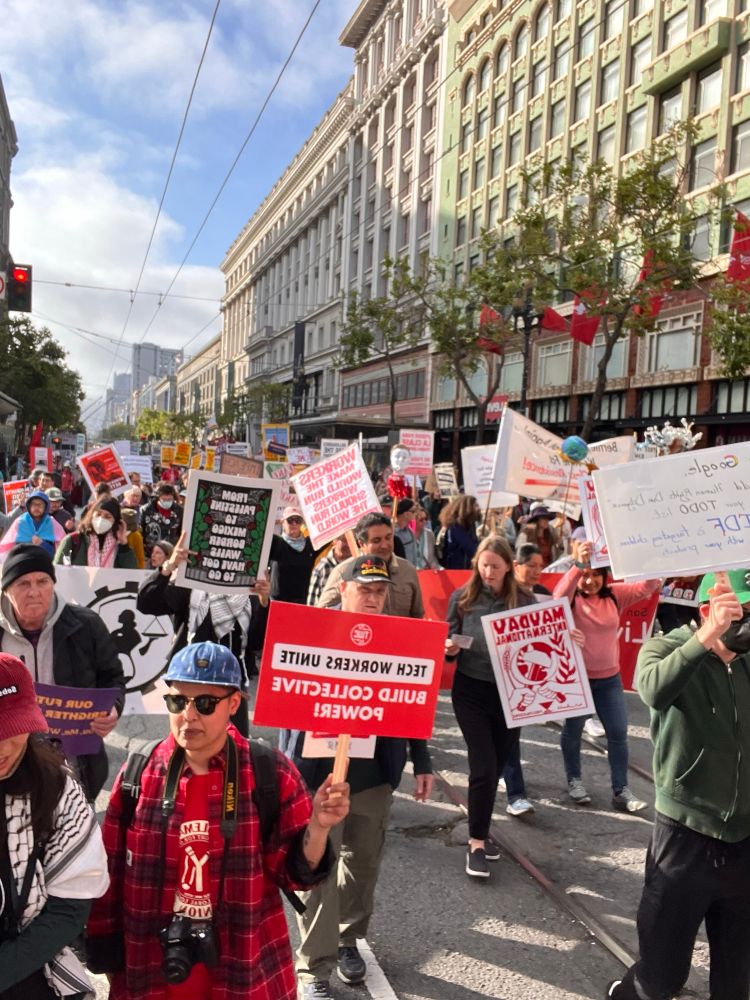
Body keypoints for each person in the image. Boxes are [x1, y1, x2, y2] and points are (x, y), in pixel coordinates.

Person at [86, 641, 350, 1000]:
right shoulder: (140, 771)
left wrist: (318, 827)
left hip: (240, 967)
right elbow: (110, 873)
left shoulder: (267, 770)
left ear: (234, 704)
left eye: (206, 704)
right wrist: (102, 946)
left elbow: (298, 875)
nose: (189, 716)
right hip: (150, 966)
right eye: (178, 701)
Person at [280, 556, 433, 1000]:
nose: (372, 597)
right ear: (343, 588)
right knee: (317, 870)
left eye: (380, 591)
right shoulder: (313, 634)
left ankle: (348, 939)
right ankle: (314, 967)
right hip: (316, 777)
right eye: (364, 588)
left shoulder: (399, 641)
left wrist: (421, 761)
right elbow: (286, 696)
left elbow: (412, 705)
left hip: (373, 778)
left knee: (363, 865)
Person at [608, 569, 750, 1000]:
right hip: (685, 837)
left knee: (736, 983)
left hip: (743, 839)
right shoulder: (667, 646)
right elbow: (651, 689)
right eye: (742, 612)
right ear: (708, 610)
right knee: (662, 977)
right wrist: (705, 638)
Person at [0, 653, 110, 999]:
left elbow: (69, 909)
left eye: (12, 729)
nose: (2, 746)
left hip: (29, 971)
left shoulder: (54, 788)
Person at [0, 546, 125, 799]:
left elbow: (112, 677)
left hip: (74, 762)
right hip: (10, 758)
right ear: (6, 590)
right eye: (23, 583)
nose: (34, 592)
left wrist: (113, 708)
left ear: (53, 584)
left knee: (74, 830)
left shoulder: (85, 625)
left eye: (42, 581)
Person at [445, 536, 537, 877]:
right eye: (483, 565)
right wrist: (449, 648)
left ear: (509, 567)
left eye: (495, 566)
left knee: (496, 765)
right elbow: (448, 640)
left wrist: (569, 640)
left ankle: (480, 826)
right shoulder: (462, 599)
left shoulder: (525, 601)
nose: (488, 572)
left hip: (512, 695)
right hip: (471, 691)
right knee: (482, 766)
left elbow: (545, 641)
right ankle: (477, 843)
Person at [553, 542, 660, 811]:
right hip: (578, 679)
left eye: (595, 575)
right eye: (585, 575)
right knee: (574, 730)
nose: (589, 580)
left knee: (617, 733)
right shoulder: (573, 599)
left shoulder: (614, 595)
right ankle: (574, 781)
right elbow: (557, 597)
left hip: (610, 679)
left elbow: (648, 586)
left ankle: (621, 790)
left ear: (604, 576)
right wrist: (578, 566)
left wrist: (640, 552)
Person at [136, 533, 270, 735]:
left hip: (231, 687)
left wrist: (263, 601)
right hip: (189, 683)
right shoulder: (190, 587)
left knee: (232, 752)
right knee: (188, 746)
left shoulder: (248, 592)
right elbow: (146, 603)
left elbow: (256, 643)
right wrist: (169, 567)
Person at [318, 513, 424, 618]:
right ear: (361, 544)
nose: (384, 545)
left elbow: (418, 616)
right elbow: (323, 615)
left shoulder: (407, 570)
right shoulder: (343, 571)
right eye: (376, 540)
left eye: (388, 538)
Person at [53, 497, 137, 569]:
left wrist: (124, 544)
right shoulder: (73, 541)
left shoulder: (118, 546)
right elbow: (57, 571)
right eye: (98, 514)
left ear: (115, 522)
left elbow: (131, 574)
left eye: (108, 517)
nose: (101, 519)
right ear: (92, 515)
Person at [269, 507, 318, 604]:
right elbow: (260, 532)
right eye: (290, 520)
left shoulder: (310, 544)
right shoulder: (275, 542)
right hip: (278, 602)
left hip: (302, 603)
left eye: (298, 520)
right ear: (282, 522)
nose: (294, 523)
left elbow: (329, 536)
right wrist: (273, 522)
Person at [0, 492, 66, 558]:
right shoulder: (20, 522)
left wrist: (43, 544)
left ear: (46, 507)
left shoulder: (52, 523)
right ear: (29, 506)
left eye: (40, 505)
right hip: (23, 562)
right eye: (34, 504)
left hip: (45, 563)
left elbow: (61, 550)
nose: (36, 508)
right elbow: (10, 548)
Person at [141, 482, 183, 560]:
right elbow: (141, 530)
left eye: (170, 499)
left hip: (170, 552)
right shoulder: (146, 510)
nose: (167, 502)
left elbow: (181, 531)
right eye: (164, 499)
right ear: (158, 498)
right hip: (151, 552)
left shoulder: (179, 510)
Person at [306, 535, 351, 606]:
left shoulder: (357, 566)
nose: (348, 545)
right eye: (344, 541)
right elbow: (312, 601)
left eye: (351, 541)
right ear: (334, 541)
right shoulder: (322, 567)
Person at [438, 495, 480, 570]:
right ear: (467, 508)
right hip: (457, 570)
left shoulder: (469, 524)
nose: (478, 508)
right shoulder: (455, 527)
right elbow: (472, 549)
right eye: (476, 506)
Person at [412, 505, 441, 571]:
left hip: (427, 573)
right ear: (413, 520)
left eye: (426, 519)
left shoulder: (429, 534)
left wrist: (435, 569)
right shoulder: (406, 535)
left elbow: (433, 558)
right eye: (421, 520)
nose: (424, 522)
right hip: (412, 573)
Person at [393, 499, 417, 565]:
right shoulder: (392, 533)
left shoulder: (410, 532)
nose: (415, 514)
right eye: (413, 511)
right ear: (406, 514)